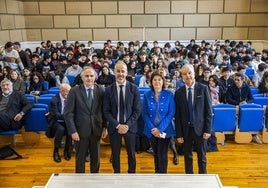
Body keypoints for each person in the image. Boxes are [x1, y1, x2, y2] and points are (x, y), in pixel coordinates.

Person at [64, 66, 107, 173]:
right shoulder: (74, 91)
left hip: (96, 129)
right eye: (86, 76)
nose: (89, 78)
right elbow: (68, 113)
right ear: (82, 78)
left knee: (96, 158)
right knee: (80, 159)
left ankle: (95, 179)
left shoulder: (101, 90)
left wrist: (105, 127)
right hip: (80, 131)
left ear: (95, 77)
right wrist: (73, 131)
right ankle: (80, 181)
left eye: (91, 76)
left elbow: (104, 111)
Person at [103, 61, 142, 173]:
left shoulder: (134, 88)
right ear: (114, 72)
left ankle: (131, 174)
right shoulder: (109, 90)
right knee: (115, 154)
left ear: (126, 73)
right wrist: (118, 125)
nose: (120, 74)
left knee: (131, 154)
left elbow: (137, 110)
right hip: (114, 128)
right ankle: (117, 173)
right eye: (118, 71)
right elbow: (106, 111)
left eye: (123, 71)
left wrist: (127, 125)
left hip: (130, 128)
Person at [174, 64, 213, 174]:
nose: (188, 76)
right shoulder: (178, 93)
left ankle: (203, 178)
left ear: (194, 74)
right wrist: (179, 134)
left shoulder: (204, 88)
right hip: (186, 130)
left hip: (200, 129)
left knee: (202, 157)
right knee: (187, 157)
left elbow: (209, 112)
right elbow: (177, 116)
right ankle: (189, 178)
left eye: (190, 73)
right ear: (181, 76)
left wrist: (207, 130)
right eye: (185, 74)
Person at [143, 70, 175, 173]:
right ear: (151, 82)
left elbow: (170, 114)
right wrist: (153, 129)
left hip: (164, 131)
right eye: (155, 80)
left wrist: (159, 129)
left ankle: (163, 175)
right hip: (151, 130)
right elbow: (145, 114)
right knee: (156, 153)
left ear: (163, 81)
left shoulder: (169, 94)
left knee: (163, 154)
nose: (157, 82)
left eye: (159, 79)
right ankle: (157, 173)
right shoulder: (147, 95)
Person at [48, 83, 72, 163]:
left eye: (69, 91)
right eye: (67, 91)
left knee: (70, 130)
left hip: (67, 121)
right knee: (60, 129)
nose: (68, 93)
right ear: (61, 91)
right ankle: (56, 151)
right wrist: (68, 117)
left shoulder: (71, 98)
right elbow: (56, 115)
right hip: (56, 121)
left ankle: (66, 150)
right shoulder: (54, 100)